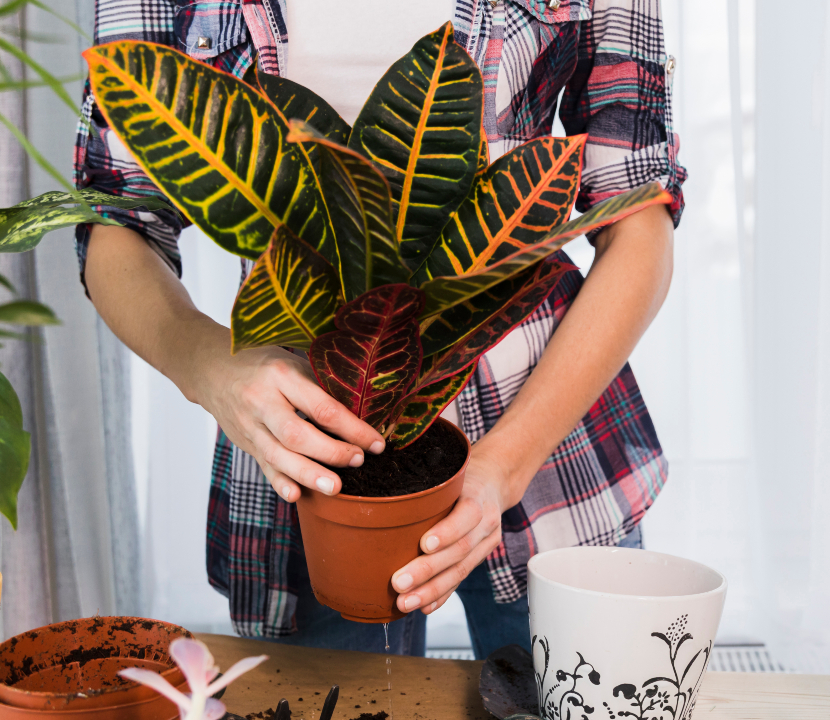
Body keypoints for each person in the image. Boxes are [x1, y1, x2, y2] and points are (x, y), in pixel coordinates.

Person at [74, 0, 685, 659]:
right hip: (315, 461)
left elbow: (638, 211)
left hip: (551, 447)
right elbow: (119, 219)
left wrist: (505, 465)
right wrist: (209, 369)